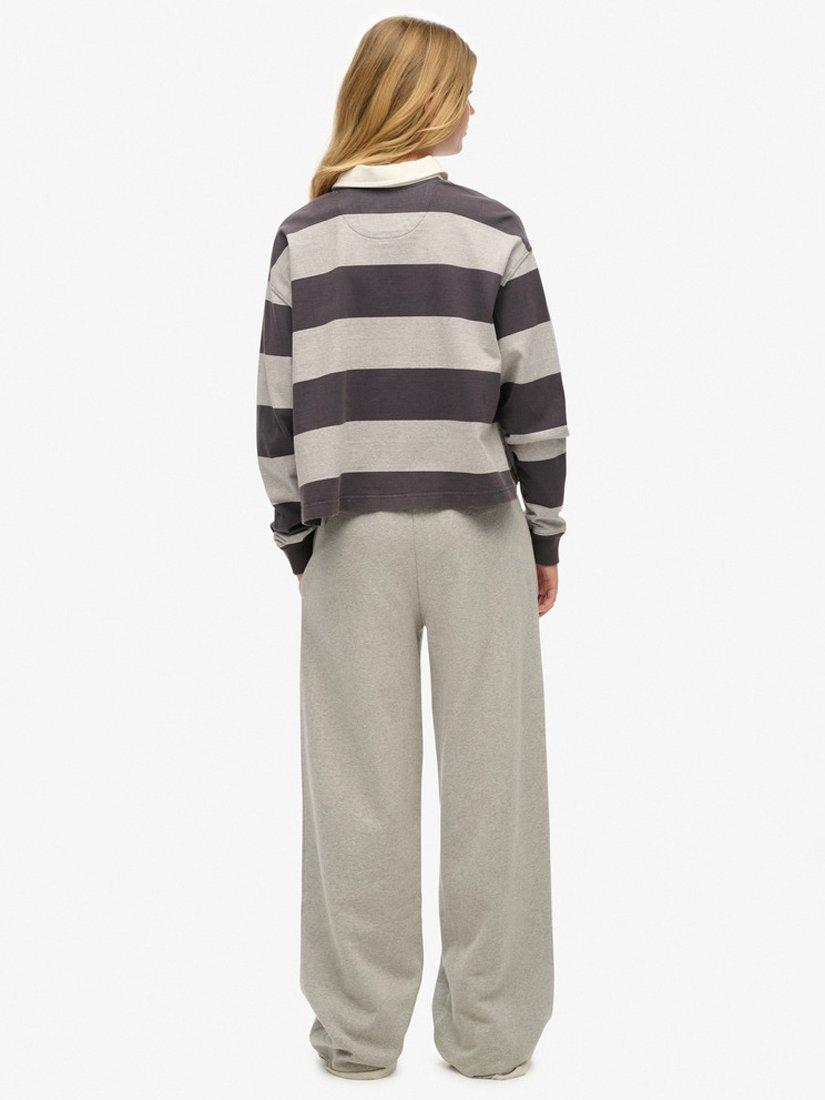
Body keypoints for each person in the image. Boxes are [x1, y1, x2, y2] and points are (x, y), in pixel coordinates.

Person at [256, 15, 568, 1081]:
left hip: (351, 537)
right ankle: (490, 1037)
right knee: (496, 794)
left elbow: (275, 412)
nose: (473, 108)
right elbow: (538, 403)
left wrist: (298, 536)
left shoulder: (304, 239)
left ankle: (358, 1035)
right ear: (425, 100)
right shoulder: (493, 230)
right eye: (462, 89)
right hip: (479, 531)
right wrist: (545, 531)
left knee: (356, 796)